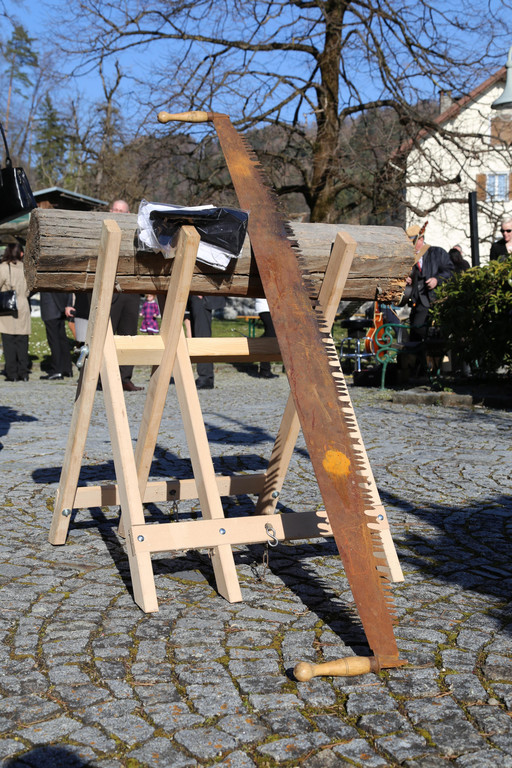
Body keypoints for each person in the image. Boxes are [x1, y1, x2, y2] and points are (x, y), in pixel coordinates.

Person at [109, 199, 143, 391]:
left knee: (129, 336)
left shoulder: (136, 234)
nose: (118, 214)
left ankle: (125, 378)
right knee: (105, 335)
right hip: (109, 289)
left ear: (129, 214)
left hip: (131, 290)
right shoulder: (102, 230)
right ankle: (100, 378)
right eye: (115, 210)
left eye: (122, 211)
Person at [405, 224, 453, 341]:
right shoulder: (407, 258)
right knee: (415, 335)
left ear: (421, 239)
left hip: (436, 300)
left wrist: (437, 279)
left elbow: (450, 272)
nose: (410, 246)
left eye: (413, 242)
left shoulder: (438, 253)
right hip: (417, 303)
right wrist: (404, 279)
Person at [0, 243, 31, 382]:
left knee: (8, 341)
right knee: (22, 341)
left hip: (7, 305)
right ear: (21, 253)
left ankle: (12, 373)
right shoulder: (26, 268)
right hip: (23, 304)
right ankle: (23, 373)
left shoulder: (3, 267)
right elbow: (30, 288)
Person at [188, 295, 226, 389]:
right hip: (195, 297)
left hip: (201, 297)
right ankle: (205, 376)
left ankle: (206, 377)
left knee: (202, 335)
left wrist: (200, 293)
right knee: (198, 335)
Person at [39, 291, 74, 380]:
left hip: (51, 308)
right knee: (62, 339)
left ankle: (57, 370)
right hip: (59, 309)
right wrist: (66, 305)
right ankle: (67, 368)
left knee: (54, 340)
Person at [254, 298, 278, 378]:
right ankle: (265, 370)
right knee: (271, 335)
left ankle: (265, 369)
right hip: (265, 307)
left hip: (271, 306)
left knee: (270, 335)